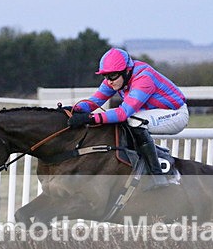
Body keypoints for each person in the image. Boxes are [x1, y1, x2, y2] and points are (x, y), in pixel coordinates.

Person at [68, 48, 189, 189]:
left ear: (126, 71)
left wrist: (90, 118)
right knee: (127, 121)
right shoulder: (117, 78)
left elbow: (122, 113)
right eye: (105, 76)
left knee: (133, 120)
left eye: (112, 76)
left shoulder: (144, 78)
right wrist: (73, 110)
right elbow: (95, 101)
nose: (109, 81)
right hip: (154, 112)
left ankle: (158, 176)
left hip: (176, 114)